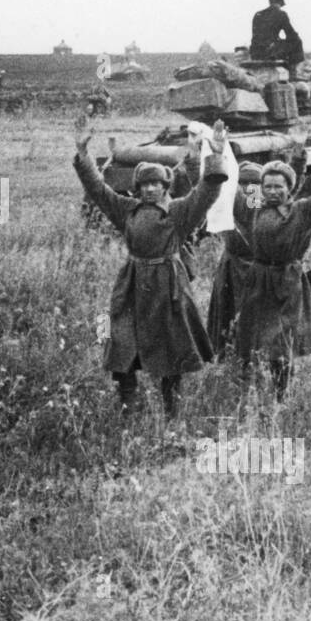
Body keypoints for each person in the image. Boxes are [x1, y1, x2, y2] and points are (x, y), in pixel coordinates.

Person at [74, 115, 229, 427]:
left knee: (171, 350)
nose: (150, 189)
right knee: (122, 345)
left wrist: (216, 154)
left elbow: (207, 192)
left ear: (165, 186)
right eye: (144, 184)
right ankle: (127, 411)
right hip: (131, 285)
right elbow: (98, 188)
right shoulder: (125, 210)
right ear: (137, 188)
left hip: (169, 287)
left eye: (156, 183)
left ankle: (172, 415)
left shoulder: (179, 212)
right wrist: (82, 153)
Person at [232, 137, 311, 398]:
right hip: (257, 281)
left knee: (281, 345)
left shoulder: (302, 211)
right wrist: (215, 154)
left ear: (290, 188)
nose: (273, 191)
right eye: (268, 186)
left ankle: (281, 395)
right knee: (251, 339)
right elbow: (229, 193)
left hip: (287, 283)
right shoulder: (255, 208)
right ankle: (250, 395)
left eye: (279, 186)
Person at [207, 161, 264, 354]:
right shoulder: (233, 201)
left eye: (254, 185)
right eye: (244, 184)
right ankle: (225, 354)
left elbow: (253, 209)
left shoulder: (259, 203)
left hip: (257, 269)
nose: (250, 189)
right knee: (226, 314)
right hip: (231, 268)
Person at [249, 0, 305, 69]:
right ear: (280, 2)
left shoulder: (258, 14)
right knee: (297, 42)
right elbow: (291, 34)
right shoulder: (281, 14)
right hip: (269, 52)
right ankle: (293, 72)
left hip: (255, 52)